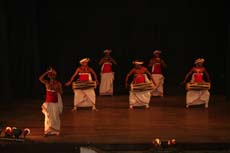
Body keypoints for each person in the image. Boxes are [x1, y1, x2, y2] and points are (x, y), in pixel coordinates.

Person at [39, 67, 63, 136]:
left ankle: (56, 131)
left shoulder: (58, 84)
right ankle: (47, 131)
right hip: (48, 102)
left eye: (53, 75)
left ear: (55, 76)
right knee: (47, 116)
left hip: (55, 102)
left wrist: (56, 90)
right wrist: (47, 72)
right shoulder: (46, 82)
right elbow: (40, 78)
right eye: (50, 75)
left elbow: (61, 92)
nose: (52, 76)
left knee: (55, 116)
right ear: (49, 76)